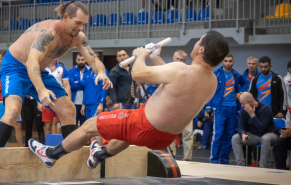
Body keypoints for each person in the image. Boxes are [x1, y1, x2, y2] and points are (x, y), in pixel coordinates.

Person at [29, 30, 229, 169]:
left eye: (198, 41)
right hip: (166, 137)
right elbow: (173, 85)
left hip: (144, 125)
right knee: (125, 134)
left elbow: (138, 74)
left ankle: (51, 155)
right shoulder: (212, 82)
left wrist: (140, 55)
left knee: (90, 125)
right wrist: (155, 58)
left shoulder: (181, 70)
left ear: (201, 49)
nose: (195, 44)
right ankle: (99, 155)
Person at [0, 1, 112, 147]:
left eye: (84, 24)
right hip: (15, 67)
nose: (81, 28)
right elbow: (31, 62)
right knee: (13, 111)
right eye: (78, 23)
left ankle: (69, 155)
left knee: (69, 110)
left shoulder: (78, 36)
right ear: (66, 17)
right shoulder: (48, 34)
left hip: (38, 71)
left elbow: (94, 60)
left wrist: (101, 72)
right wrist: (41, 90)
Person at [208, 54, 249, 164]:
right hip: (220, 108)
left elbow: (246, 82)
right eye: (226, 61)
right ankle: (214, 161)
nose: (228, 63)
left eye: (230, 61)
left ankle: (224, 161)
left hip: (233, 108)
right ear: (222, 62)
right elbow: (207, 88)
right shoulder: (216, 74)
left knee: (228, 136)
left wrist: (240, 93)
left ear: (233, 62)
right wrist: (208, 106)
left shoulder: (235, 74)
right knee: (218, 135)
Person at [231, 92, 278, 168]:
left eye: (243, 103)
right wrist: (243, 134)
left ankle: (263, 166)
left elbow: (262, 128)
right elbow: (241, 126)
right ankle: (240, 165)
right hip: (254, 135)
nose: (242, 106)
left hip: (268, 133)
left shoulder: (265, 109)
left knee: (265, 138)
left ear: (249, 102)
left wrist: (252, 114)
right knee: (235, 138)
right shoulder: (243, 110)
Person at [167, 50, 194, 160]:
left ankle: (187, 159)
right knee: (170, 134)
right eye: (177, 59)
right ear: (173, 59)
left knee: (188, 133)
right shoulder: (167, 70)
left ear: (185, 61)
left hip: (186, 107)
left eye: (182, 60)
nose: (179, 61)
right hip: (171, 107)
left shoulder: (190, 72)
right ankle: (171, 157)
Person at [39, 59, 71, 135]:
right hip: (46, 98)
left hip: (59, 98)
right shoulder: (42, 68)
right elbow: (38, 84)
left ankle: (62, 144)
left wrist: (68, 100)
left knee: (62, 123)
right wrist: (38, 102)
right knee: (47, 125)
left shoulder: (62, 68)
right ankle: (48, 145)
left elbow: (66, 85)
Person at [81, 53, 109, 120]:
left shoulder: (102, 71)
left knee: (95, 126)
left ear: (98, 59)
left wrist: (101, 104)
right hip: (87, 104)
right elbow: (85, 89)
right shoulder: (87, 72)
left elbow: (104, 89)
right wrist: (83, 104)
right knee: (88, 126)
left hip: (96, 104)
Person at [67, 53, 89, 127]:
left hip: (86, 102)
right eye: (79, 60)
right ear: (76, 60)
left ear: (85, 60)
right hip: (74, 102)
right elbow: (71, 85)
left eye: (82, 60)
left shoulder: (89, 71)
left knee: (85, 125)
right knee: (73, 124)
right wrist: (84, 85)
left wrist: (78, 81)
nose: (80, 61)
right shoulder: (71, 71)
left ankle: (85, 139)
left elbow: (89, 85)